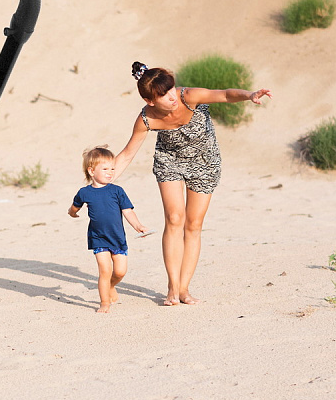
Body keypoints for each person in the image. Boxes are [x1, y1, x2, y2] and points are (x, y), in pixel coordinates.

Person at [114, 61, 271, 306]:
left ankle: (184, 289)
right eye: (163, 95)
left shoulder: (188, 97)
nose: (171, 97)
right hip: (170, 161)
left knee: (194, 223)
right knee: (174, 218)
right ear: (150, 101)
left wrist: (249, 95)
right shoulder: (146, 119)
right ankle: (172, 287)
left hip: (205, 161)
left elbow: (225, 95)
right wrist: (101, 178)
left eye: (171, 89)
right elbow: (126, 155)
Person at [69, 147, 149, 313]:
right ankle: (104, 302)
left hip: (117, 237)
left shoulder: (117, 191)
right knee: (105, 271)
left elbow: (128, 211)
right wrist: (72, 213)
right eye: (105, 169)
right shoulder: (85, 192)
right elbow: (75, 206)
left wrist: (138, 226)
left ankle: (111, 286)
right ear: (91, 171)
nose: (110, 172)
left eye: (112, 169)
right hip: (98, 238)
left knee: (119, 272)